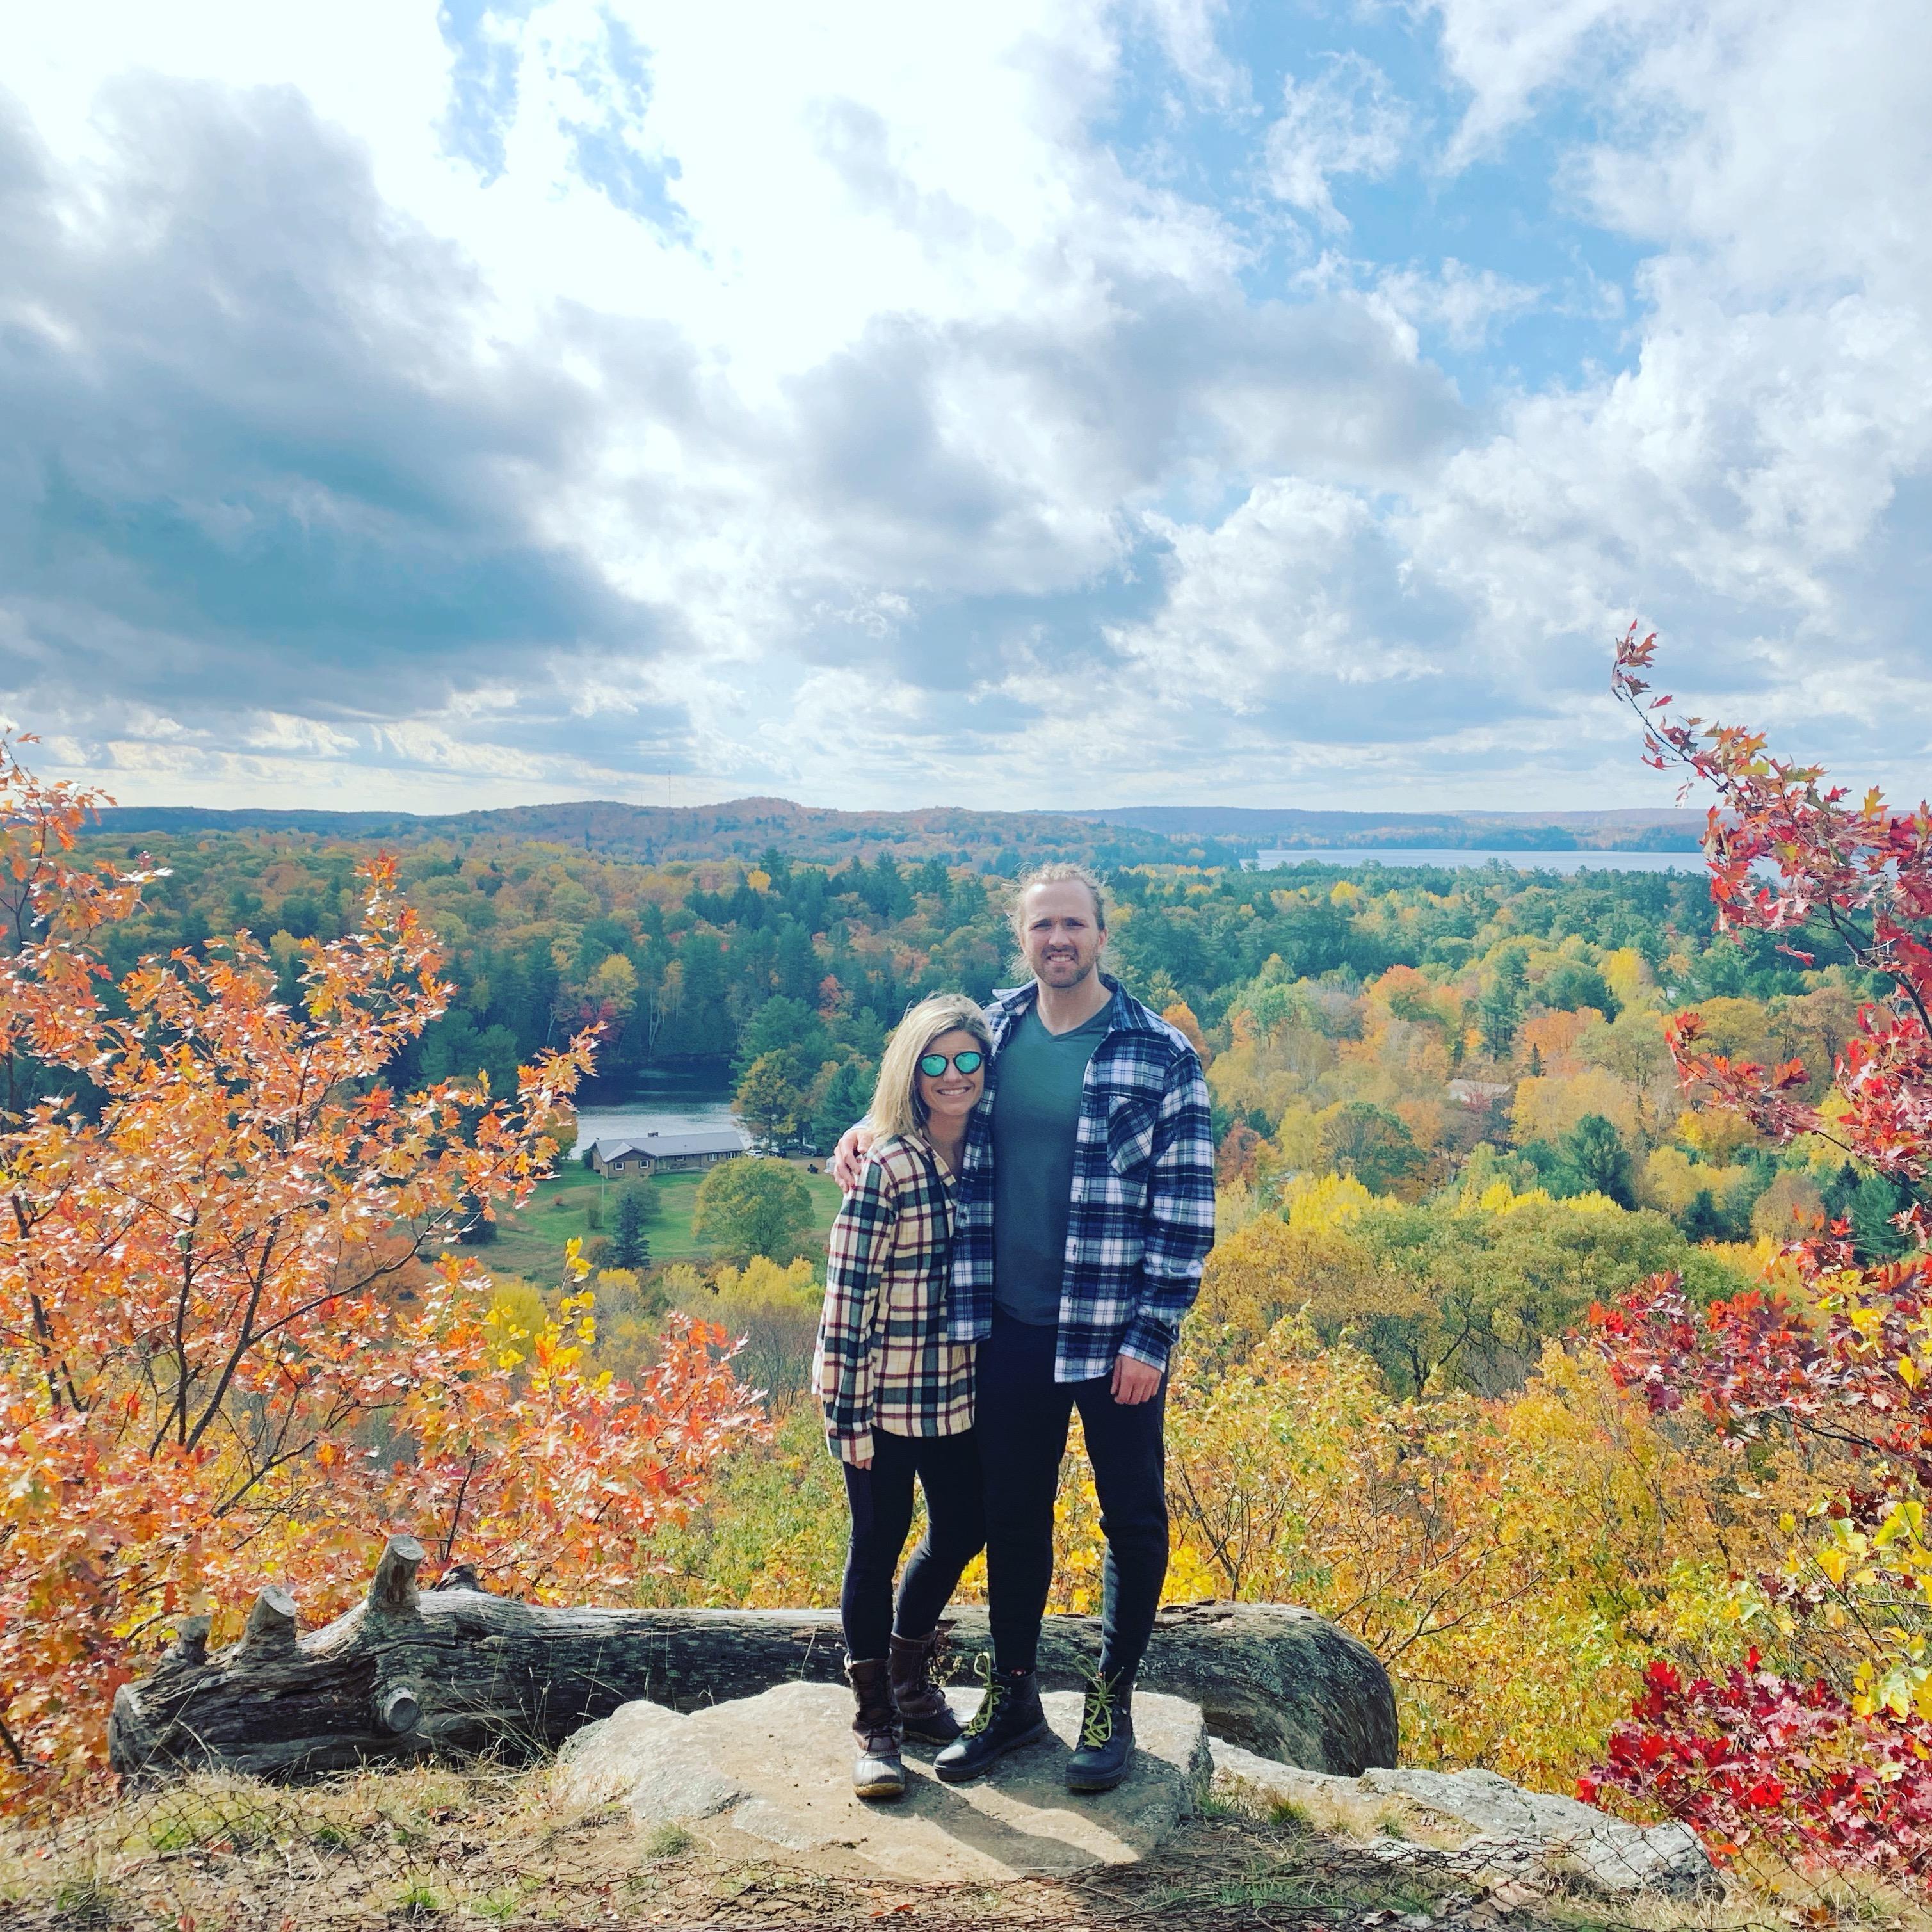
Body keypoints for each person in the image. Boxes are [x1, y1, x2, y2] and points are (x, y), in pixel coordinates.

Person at [833, 864, 1214, 1794]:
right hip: (1003, 1328)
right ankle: (1013, 1700)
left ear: (1101, 934)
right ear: (1022, 936)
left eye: (1073, 924)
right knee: (1011, 1518)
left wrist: (1152, 1336)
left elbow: (1187, 1211)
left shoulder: (1159, 1052)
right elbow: (931, 1090)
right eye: (1043, 925)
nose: (1059, 940)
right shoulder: (995, 1032)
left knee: (1132, 1519)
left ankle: (1109, 1705)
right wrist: (864, 1130)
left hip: (1114, 1336)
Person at [813, 993, 993, 1801]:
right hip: (880, 1400)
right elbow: (845, 1302)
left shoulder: (987, 1154)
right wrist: (844, 1416)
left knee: (963, 1527)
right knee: (877, 1545)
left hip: (957, 1394)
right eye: (935, 1062)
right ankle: (875, 1722)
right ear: (910, 1073)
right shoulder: (886, 1166)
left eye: (968, 1059)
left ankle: (910, 1679)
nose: (954, 1076)